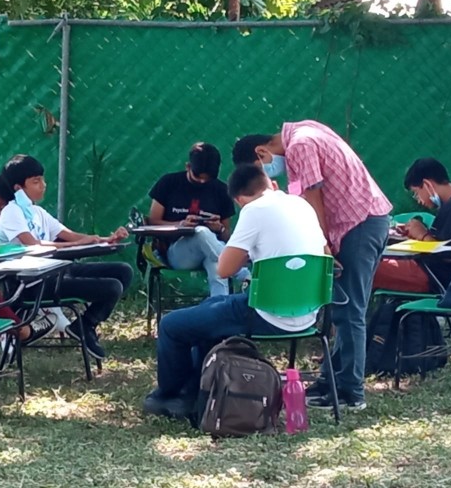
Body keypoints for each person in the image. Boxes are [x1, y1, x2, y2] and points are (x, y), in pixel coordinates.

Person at [143, 164, 326, 418]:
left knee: (172, 325)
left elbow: (224, 269)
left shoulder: (253, 211)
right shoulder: (303, 205)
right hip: (309, 312)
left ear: (239, 200)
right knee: (209, 310)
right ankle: (195, 391)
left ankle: (169, 395)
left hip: (267, 312)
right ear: (272, 185)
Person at [233, 120, 391, 411]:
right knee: (342, 308)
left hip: (359, 224)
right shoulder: (307, 129)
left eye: (260, 172)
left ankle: (351, 392)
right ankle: (330, 380)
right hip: (364, 220)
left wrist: (322, 246)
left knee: (350, 310)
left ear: (262, 153)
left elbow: (312, 197)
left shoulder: (300, 145)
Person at [0, 154, 133, 359]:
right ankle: (85, 327)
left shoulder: (38, 212)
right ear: (18, 188)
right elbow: (32, 244)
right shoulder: (11, 212)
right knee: (112, 287)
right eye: (36, 181)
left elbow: (69, 235)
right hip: (32, 284)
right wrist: (76, 244)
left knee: (124, 271)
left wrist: (107, 239)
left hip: (57, 271)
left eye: (43, 179)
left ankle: (83, 326)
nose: (43, 185)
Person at [147, 142, 250, 297]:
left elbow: (226, 235)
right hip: (177, 252)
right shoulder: (169, 183)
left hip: (212, 250)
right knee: (201, 232)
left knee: (215, 263)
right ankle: (242, 273)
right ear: (187, 167)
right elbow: (152, 222)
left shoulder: (221, 190)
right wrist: (180, 225)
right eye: (197, 177)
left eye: (207, 179)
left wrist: (219, 228)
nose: (202, 182)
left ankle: (219, 311)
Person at [374, 158, 451, 293]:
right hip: (435, 272)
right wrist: (416, 234)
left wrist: (422, 233)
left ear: (427, 184)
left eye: (416, 192)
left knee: (367, 268)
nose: (418, 199)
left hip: (433, 276)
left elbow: (447, 254)